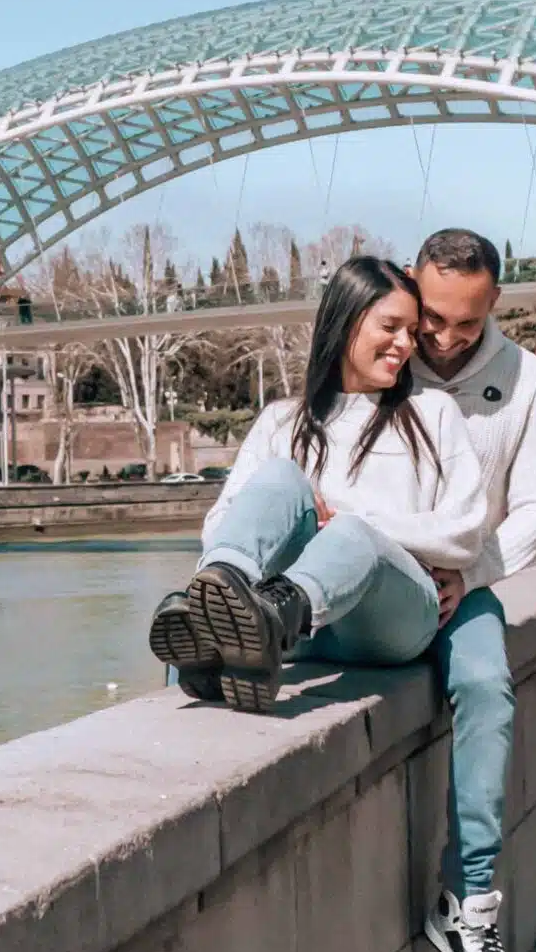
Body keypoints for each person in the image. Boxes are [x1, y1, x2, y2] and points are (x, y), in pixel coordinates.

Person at [148, 254, 485, 726]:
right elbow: (219, 524)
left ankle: (268, 620)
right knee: (283, 476)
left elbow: (466, 531)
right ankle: (225, 607)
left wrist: (352, 520)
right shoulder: (281, 420)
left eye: (411, 332)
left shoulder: (434, 413)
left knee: (353, 535)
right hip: (305, 634)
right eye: (390, 326)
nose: (405, 344)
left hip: (391, 621)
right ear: (345, 321)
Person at [409, 228, 536, 952]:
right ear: (411, 285)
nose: (441, 338)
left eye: (464, 324)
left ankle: (471, 907)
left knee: (487, 691)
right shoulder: (384, 351)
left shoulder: (526, 378)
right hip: (380, 573)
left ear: (495, 302)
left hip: (467, 585)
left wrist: (467, 575)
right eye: (431, 317)